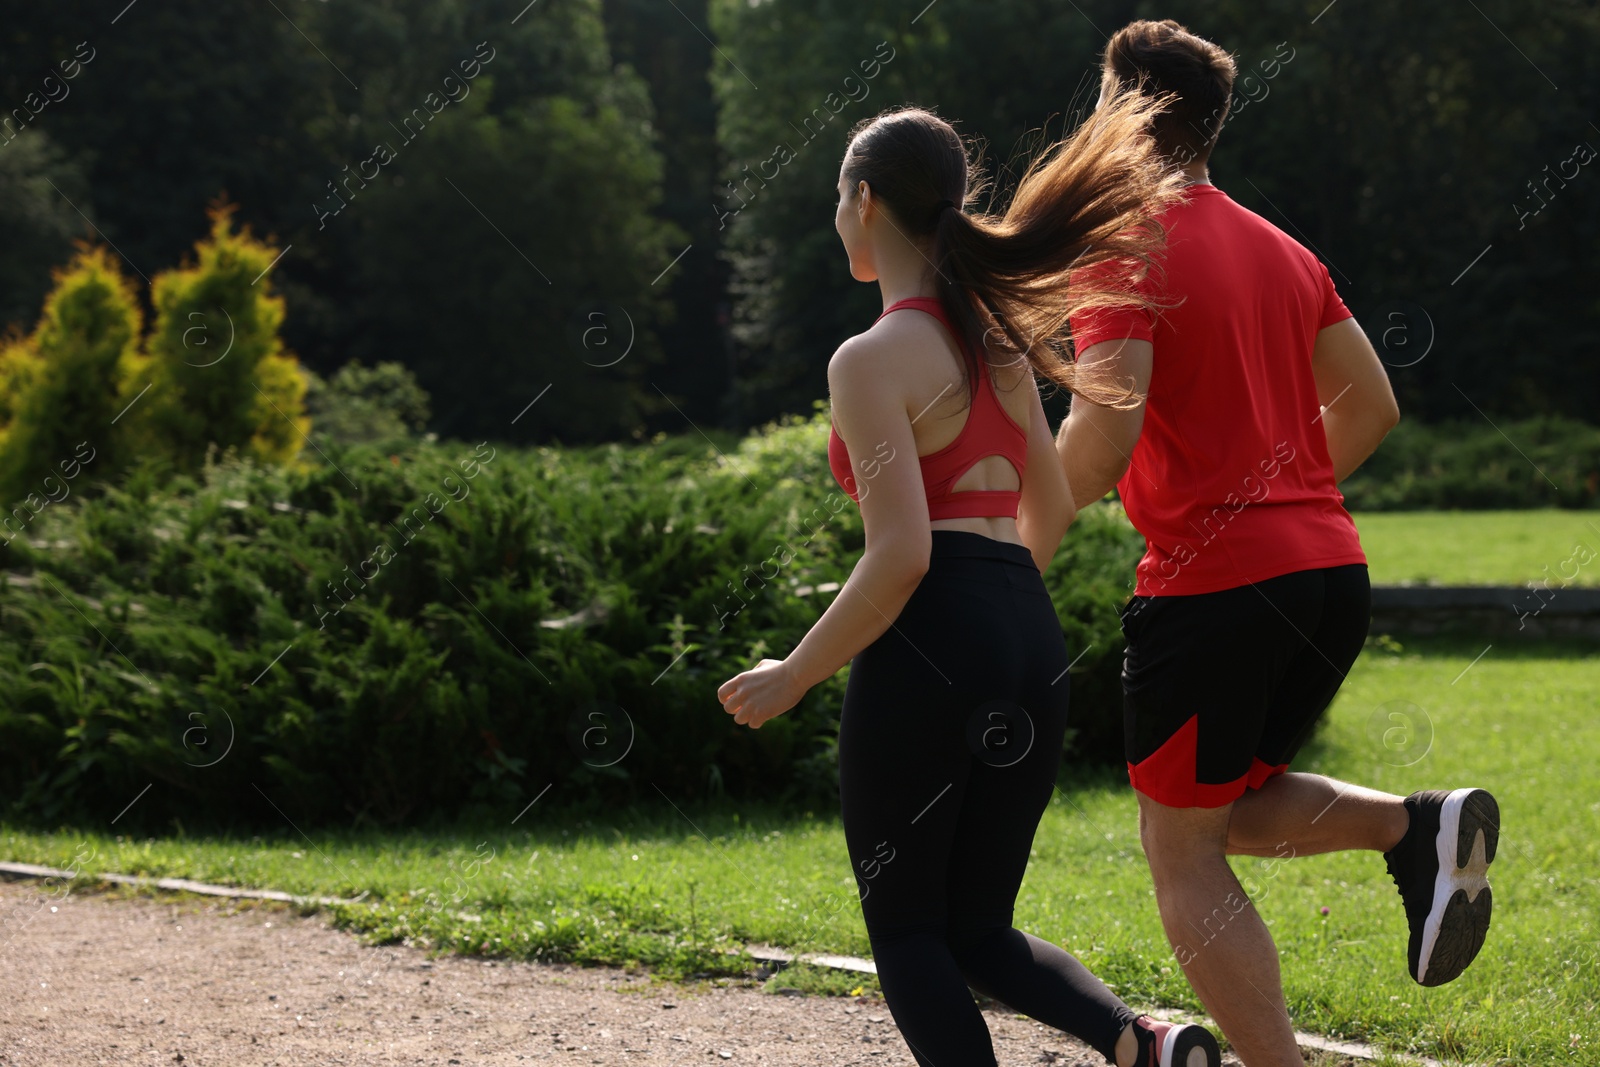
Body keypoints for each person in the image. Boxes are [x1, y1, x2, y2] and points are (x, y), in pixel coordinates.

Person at [717, 93, 1222, 1067]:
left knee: (908, 929)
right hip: (1024, 634)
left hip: (934, 634)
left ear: (863, 202)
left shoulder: (868, 359)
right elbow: (1050, 503)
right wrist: (988, 611)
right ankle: (1140, 1042)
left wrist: (795, 671)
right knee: (978, 926)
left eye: (835, 199)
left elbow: (900, 552)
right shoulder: (998, 346)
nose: (835, 219)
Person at [1056, 19, 1499, 1067]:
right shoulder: (1284, 247)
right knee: (1235, 813)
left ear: (1123, 110)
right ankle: (1415, 825)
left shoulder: (1124, 238)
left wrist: (1012, 526)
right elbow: (1372, 406)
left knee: (1179, 853)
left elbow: (1104, 430)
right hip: (1327, 573)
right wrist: (1285, 495)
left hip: (1210, 588)